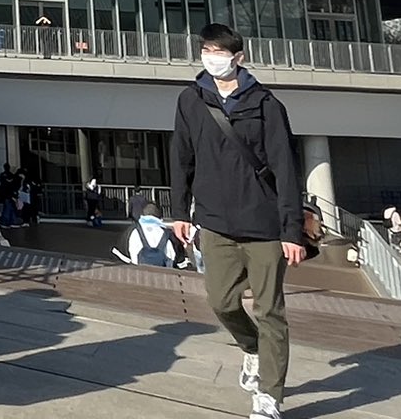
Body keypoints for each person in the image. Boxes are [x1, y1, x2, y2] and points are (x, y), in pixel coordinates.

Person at [170, 24, 305, 419]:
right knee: (221, 301)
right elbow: (181, 157)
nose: (212, 58)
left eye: (220, 51)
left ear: (238, 57)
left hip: (264, 226)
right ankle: (251, 347)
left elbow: (286, 169)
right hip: (215, 222)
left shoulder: (266, 105)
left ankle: (269, 396)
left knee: (270, 311)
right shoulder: (190, 99)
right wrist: (179, 211)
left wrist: (292, 230)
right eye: (206, 50)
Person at [115, 195, 182, 268]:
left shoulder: (131, 231)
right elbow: (181, 262)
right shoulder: (169, 234)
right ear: (160, 217)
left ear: (142, 214)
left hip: (138, 272)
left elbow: (121, 258)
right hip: (164, 273)